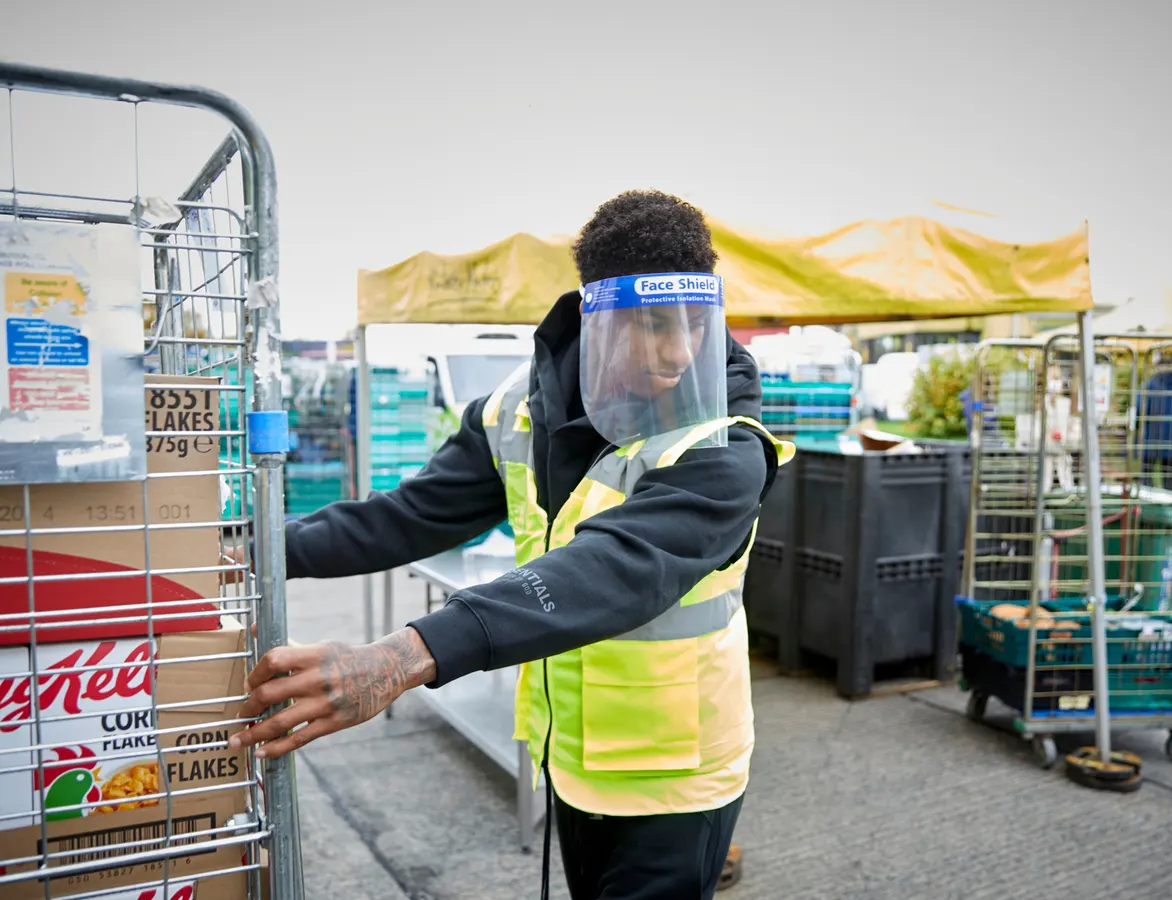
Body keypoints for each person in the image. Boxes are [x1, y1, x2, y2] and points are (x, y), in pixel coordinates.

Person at [228, 190, 794, 899]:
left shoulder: (726, 443)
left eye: (695, 325)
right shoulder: (516, 411)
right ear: (598, 316)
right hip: (573, 759)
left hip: (678, 777)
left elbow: (617, 569)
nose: (681, 353)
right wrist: (259, 549)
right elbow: (409, 516)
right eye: (653, 325)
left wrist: (404, 655)